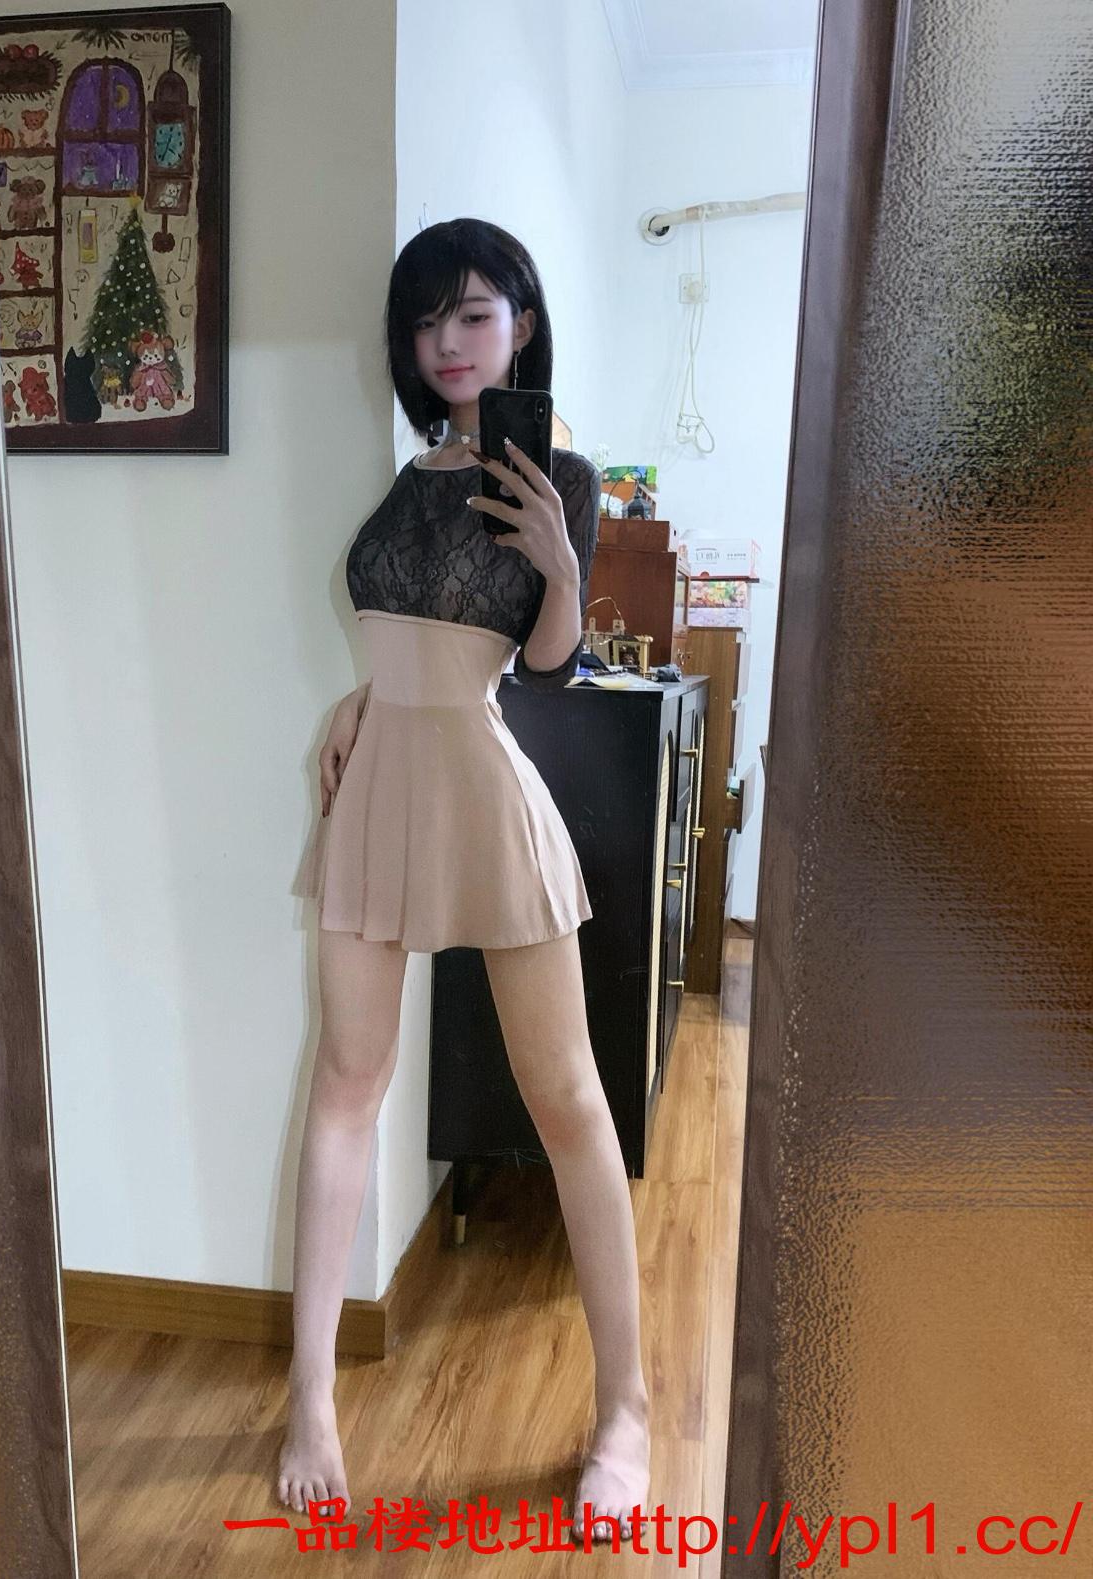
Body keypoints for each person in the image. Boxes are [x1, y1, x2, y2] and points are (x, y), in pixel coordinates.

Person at [280, 218, 650, 1544]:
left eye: (475, 312)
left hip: (485, 795)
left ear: (523, 325)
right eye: (427, 318)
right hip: (376, 782)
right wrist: (356, 698)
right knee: (345, 1083)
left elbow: (543, 668)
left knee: (569, 1102)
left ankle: (627, 1410)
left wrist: (562, 567)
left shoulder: (561, 474)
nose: (448, 339)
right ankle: (311, 1398)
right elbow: (403, 639)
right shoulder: (412, 474)